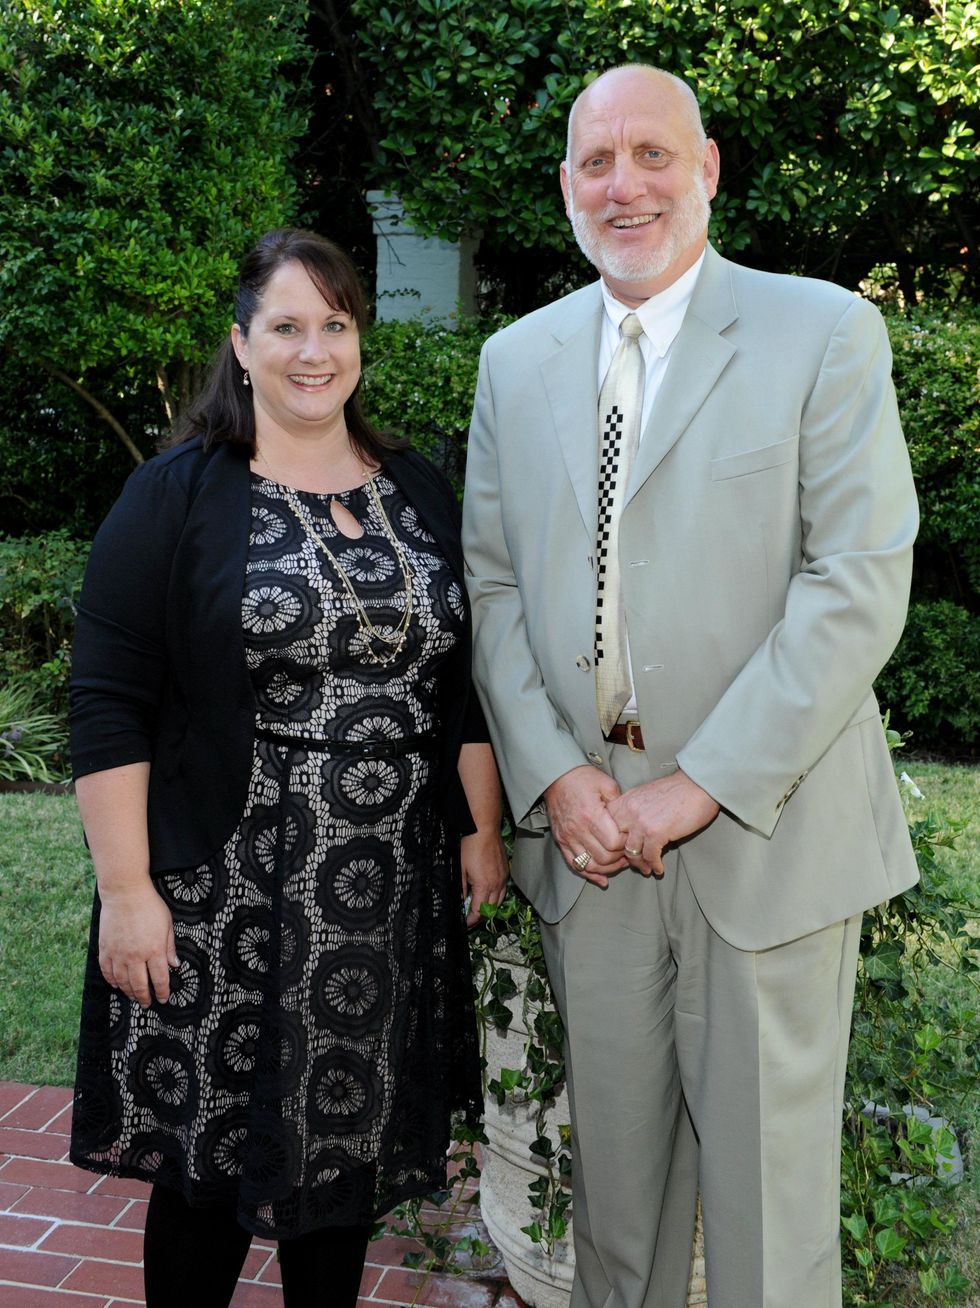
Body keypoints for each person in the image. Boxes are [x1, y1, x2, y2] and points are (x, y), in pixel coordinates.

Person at [462, 64, 919, 1308]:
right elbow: (491, 590)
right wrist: (555, 774)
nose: (625, 186)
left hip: (766, 841)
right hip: (590, 847)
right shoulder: (514, 361)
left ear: (706, 167)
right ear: (565, 186)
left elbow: (858, 580)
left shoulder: (820, 332)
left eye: (651, 155)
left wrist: (696, 786)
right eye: (596, 163)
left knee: (772, 1230)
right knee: (618, 1218)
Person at [69, 227, 508, 1308]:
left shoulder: (414, 485)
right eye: (286, 326)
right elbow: (108, 699)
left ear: (358, 337)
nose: (314, 351)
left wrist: (480, 830)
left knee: (344, 1163)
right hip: (222, 893)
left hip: (377, 894)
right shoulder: (177, 494)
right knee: (206, 1172)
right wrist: (126, 892)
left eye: (335, 324)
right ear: (241, 342)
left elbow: (465, 679)